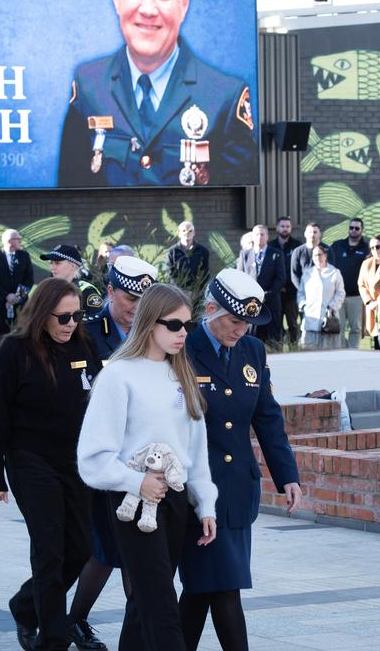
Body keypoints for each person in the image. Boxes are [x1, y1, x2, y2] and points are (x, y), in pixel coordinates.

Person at [77, 283, 218, 650]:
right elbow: (92, 456)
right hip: (132, 503)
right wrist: (136, 482)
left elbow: (196, 451)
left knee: (143, 604)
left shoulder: (182, 374)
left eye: (187, 325)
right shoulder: (118, 376)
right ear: (148, 323)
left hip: (174, 500)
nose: (183, 333)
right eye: (173, 325)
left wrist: (205, 504)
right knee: (160, 604)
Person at [57, 0, 256, 187]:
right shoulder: (88, 85)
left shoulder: (224, 98)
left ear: (184, 4)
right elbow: (70, 189)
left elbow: (238, 193)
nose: (148, 9)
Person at [179, 269, 301, 651]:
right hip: (197, 493)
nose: (241, 330)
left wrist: (287, 475)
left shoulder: (253, 351)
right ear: (210, 310)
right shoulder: (182, 348)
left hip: (236, 491)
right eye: (234, 321)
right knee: (224, 586)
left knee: (203, 590)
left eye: (248, 322)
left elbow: (267, 415)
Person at [0, 278, 104, 651]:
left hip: (76, 462)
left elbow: (103, 398)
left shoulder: (84, 344)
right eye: (63, 317)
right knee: (49, 550)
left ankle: (24, 605)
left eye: (77, 316)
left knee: (82, 548)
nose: (70, 324)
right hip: (30, 461)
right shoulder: (15, 351)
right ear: (42, 314)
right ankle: (53, 640)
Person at [68, 256, 160, 650]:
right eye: (127, 297)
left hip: (145, 459)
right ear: (109, 292)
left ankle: (78, 622)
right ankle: (127, 631)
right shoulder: (86, 334)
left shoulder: (157, 334)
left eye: (143, 298)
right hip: (103, 459)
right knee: (113, 549)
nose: (135, 306)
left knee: (116, 551)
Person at [236, 225, 285, 349]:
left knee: (273, 337)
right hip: (251, 303)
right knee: (251, 337)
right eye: (257, 234)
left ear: (267, 237)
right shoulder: (245, 254)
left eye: (262, 234)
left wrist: (266, 294)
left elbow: (281, 278)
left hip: (271, 301)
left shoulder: (277, 254)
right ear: (252, 236)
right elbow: (240, 278)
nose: (259, 237)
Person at [0, 228, 35, 337]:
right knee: (2, 338)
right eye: (18, 239)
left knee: (23, 337)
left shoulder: (24, 256)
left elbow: (29, 279)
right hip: (1, 306)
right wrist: (7, 296)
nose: (21, 241)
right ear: (9, 241)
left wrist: (17, 297)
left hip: (21, 306)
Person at [329, 218, 368, 349]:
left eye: (357, 228)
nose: (353, 230)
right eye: (351, 228)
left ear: (362, 230)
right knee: (338, 328)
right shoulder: (337, 245)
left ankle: (353, 352)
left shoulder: (367, 248)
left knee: (355, 328)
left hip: (356, 296)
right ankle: (340, 353)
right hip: (338, 295)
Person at [297, 245, 345, 350]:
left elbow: (340, 293)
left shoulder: (334, 272)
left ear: (325, 256)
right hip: (310, 319)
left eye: (320, 254)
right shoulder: (307, 273)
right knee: (308, 352)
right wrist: (304, 305)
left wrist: (332, 306)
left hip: (329, 319)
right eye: (315, 255)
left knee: (328, 353)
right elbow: (300, 293)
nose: (317, 257)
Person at [42, 244, 105, 316]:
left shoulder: (86, 291)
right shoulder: (47, 289)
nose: (52, 268)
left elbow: (97, 323)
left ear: (72, 266)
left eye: (57, 263)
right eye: (51, 263)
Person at [270, 217, 301, 342]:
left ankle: (294, 346)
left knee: (292, 323)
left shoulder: (297, 246)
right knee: (276, 323)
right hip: (276, 292)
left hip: (292, 292)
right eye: (282, 226)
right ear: (277, 228)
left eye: (288, 226)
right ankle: (278, 347)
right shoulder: (271, 246)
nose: (285, 229)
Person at [166, 221, 209, 289]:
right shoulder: (172, 252)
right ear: (179, 233)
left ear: (194, 233)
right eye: (184, 231)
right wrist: (179, 289)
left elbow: (205, 272)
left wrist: (198, 289)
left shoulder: (203, 251)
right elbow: (170, 273)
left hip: (197, 293)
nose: (187, 233)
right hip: (178, 291)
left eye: (190, 231)